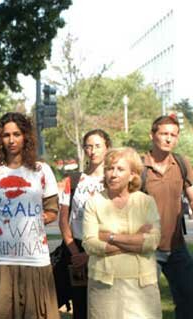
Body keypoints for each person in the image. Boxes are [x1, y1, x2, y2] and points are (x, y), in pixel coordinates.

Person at [0, 112, 60, 319]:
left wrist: (35, 219)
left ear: (26, 136)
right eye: (6, 135)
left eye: (17, 134)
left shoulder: (42, 170)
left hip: (34, 257)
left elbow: (52, 211)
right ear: (0, 138)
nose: (12, 140)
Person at [82, 147, 161, 318]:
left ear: (133, 174)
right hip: (104, 288)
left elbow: (152, 242)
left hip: (142, 287)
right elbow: (90, 245)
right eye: (110, 168)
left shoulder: (146, 202)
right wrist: (135, 240)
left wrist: (110, 237)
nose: (113, 174)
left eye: (120, 169)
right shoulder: (94, 203)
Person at [142, 115, 193, 319]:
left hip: (177, 248)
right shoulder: (139, 166)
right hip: (147, 250)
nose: (168, 139)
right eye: (164, 134)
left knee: (189, 300)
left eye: (173, 135)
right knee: (146, 306)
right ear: (152, 135)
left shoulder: (181, 163)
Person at [58, 129, 111, 319]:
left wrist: (90, 254)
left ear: (107, 148)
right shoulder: (72, 180)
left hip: (105, 250)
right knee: (80, 306)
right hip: (76, 250)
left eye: (98, 146)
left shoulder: (113, 179)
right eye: (88, 146)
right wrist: (76, 253)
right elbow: (64, 220)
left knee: (105, 305)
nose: (93, 151)